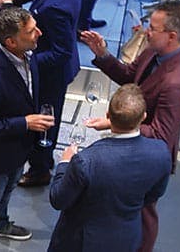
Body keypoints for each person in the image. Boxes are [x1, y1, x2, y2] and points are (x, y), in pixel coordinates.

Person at [79, 0, 180, 252]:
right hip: (129, 145)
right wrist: (103, 54)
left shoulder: (179, 82)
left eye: (153, 28)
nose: (146, 31)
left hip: (148, 158)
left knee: (143, 212)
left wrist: (115, 124)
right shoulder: (153, 51)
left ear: (172, 36)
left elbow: (161, 135)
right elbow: (128, 76)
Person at [47, 84, 171, 252]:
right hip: (127, 238)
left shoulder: (86, 161)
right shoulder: (161, 152)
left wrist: (64, 163)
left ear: (108, 116)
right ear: (143, 117)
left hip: (81, 242)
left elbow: (58, 199)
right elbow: (153, 195)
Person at [0, 6, 55, 251]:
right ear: (10, 41)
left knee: (8, 191)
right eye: (31, 31)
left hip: (19, 147)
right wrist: (26, 122)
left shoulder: (28, 55)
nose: (39, 33)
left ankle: (1, 223)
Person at [0, 0, 80, 187]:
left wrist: (27, 61)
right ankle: (43, 161)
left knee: (44, 120)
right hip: (55, 72)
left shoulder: (56, 6)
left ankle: (40, 169)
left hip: (51, 75)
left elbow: (60, 52)